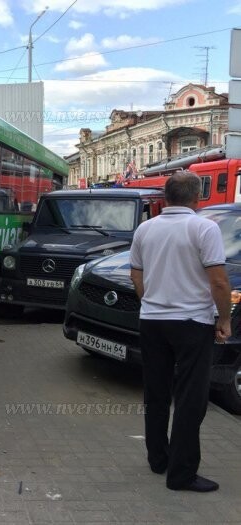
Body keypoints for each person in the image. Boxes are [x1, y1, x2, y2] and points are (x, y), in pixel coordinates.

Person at [129, 170, 231, 492]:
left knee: (156, 392)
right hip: (192, 324)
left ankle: (158, 459)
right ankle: (181, 474)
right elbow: (218, 281)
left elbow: (136, 276)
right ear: (197, 198)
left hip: (152, 322)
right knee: (190, 399)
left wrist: (153, 304)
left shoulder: (145, 229)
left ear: (165, 196)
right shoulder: (204, 228)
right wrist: (224, 320)